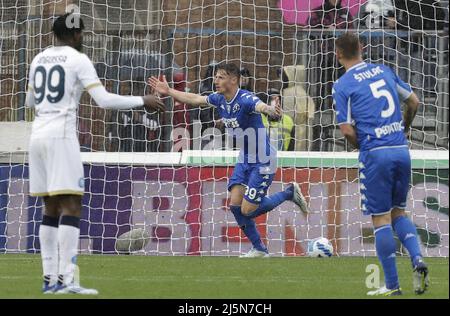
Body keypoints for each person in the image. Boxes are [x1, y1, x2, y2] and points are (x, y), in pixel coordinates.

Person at [25, 13, 164, 294]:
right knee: (72, 205)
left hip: (37, 136)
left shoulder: (39, 58)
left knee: (50, 208)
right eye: (82, 34)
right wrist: (142, 100)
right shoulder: (78, 60)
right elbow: (104, 100)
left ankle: (49, 279)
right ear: (76, 35)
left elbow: (29, 100)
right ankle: (67, 280)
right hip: (61, 137)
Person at [148, 63, 310, 257]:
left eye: (221, 77)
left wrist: (269, 109)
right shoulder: (219, 99)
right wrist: (169, 91)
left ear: (233, 80)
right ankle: (259, 249)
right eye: (216, 77)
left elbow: (260, 106)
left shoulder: (246, 98)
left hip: (264, 160)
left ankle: (289, 193)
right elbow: (194, 98)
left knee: (248, 210)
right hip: (245, 159)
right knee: (235, 206)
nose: (216, 81)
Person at [332, 33, 428, 296]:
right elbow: (414, 101)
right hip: (400, 149)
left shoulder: (342, 85)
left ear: (337, 54)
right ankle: (417, 258)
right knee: (399, 212)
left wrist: (363, 147)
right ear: (362, 48)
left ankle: (393, 286)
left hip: (376, 153)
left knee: (381, 218)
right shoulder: (384, 70)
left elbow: (346, 130)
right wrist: (404, 127)